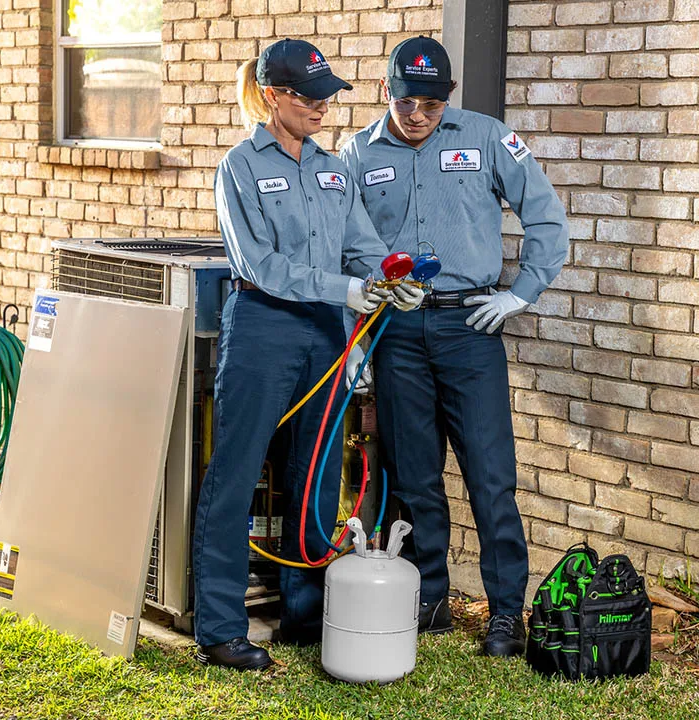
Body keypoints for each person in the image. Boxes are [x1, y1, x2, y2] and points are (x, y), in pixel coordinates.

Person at [192, 38, 421, 671]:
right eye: (309, 95)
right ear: (271, 95)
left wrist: (392, 276)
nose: (324, 105)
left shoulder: (331, 168)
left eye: (329, 94)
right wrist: (348, 288)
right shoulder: (239, 166)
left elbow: (361, 245)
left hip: (327, 331)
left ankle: (302, 616)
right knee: (236, 476)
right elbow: (260, 264)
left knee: (316, 475)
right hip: (264, 325)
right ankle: (219, 628)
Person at [339, 36, 570, 657]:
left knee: (491, 478)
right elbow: (343, 244)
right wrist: (358, 331)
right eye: (408, 100)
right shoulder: (357, 153)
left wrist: (520, 294)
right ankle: (429, 598)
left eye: (432, 104)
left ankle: (504, 615)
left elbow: (547, 218)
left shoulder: (488, 138)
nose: (418, 115)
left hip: (471, 329)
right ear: (387, 90)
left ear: (449, 100)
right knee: (413, 476)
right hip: (396, 334)